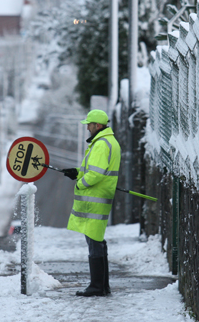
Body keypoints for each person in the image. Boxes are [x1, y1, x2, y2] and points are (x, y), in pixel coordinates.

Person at [61, 109, 121, 297]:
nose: (87, 128)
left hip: (94, 198)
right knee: (97, 240)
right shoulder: (107, 141)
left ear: (98, 125)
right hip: (99, 198)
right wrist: (77, 172)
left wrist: (80, 183)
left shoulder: (102, 144)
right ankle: (102, 286)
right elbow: (92, 169)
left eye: (89, 124)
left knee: (94, 241)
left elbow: (95, 173)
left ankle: (97, 287)